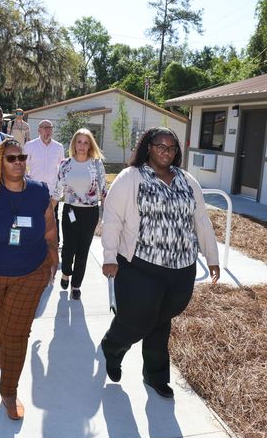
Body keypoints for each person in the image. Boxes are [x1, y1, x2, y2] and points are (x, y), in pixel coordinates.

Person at [100, 127, 220, 399]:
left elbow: (200, 219)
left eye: (171, 147)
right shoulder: (131, 177)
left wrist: (211, 257)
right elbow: (113, 219)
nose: (166, 152)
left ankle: (154, 376)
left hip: (181, 265)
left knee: (162, 319)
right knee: (138, 319)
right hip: (141, 264)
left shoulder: (187, 180)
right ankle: (113, 346)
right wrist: (109, 257)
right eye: (160, 146)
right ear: (148, 147)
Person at [0, 139, 59, 420]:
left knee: (17, 332)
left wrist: (53, 259)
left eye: (22, 157)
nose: (18, 162)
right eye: (12, 158)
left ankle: (9, 391)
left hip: (31, 273)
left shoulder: (40, 192)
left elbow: (50, 228)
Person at [51, 128, 107, 301]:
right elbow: (57, 192)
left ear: (90, 145)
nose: (82, 146)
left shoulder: (96, 165)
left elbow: (103, 192)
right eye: (79, 142)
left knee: (83, 251)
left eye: (86, 142)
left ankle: (76, 285)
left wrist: (105, 218)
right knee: (68, 249)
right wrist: (46, 214)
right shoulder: (64, 164)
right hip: (70, 211)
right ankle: (66, 273)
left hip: (90, 213)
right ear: (74, 144)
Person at [24, 119, 65, 233]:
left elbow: (62, 169)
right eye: (44, 127)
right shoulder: (30, 145)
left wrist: (58, 191)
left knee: (52, 219)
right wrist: (28, 183)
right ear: (39, 130)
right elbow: (23, 167)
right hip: (34, 191)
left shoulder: (59, 147)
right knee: (33, 219)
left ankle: (54, 244)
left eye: (50, 128)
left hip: (51, 191)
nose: (47, 130)